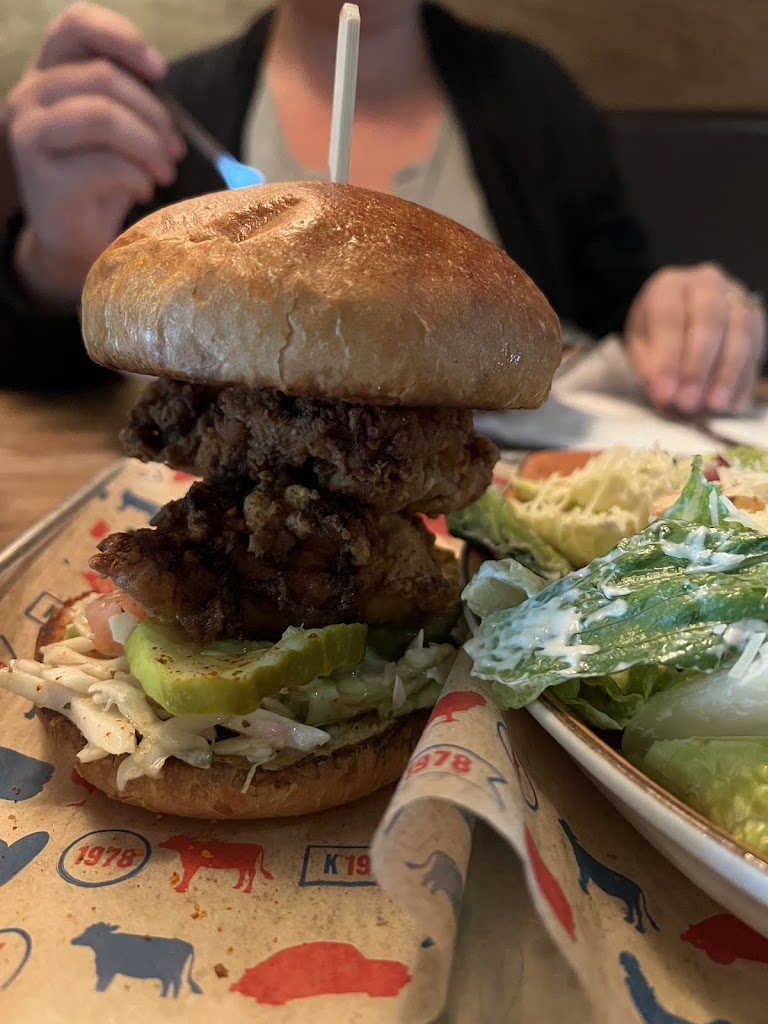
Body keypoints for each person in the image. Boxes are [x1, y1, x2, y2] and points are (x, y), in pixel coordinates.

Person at [1, 0, 764, 411]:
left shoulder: (532, 98)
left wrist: (682, 309)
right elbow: (49, 370)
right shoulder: (168, 108)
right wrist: (59, 259)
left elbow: (618, 299)